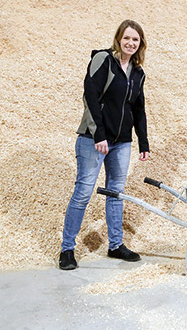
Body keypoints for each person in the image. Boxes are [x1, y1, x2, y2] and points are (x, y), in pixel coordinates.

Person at [59, 19, 150, 270]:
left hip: (121, 143)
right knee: (83, 193)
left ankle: (115, 245)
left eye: (136, 39)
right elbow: (90, 94)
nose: (131, 43)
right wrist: (98, 134)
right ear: (118, 38)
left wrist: (143, 142)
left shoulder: (138, 72)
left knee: (115, 194)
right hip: (93, 139)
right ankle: (67, 249)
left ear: (140, 43)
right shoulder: (103, 59)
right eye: (127, 38)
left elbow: (139, 109)